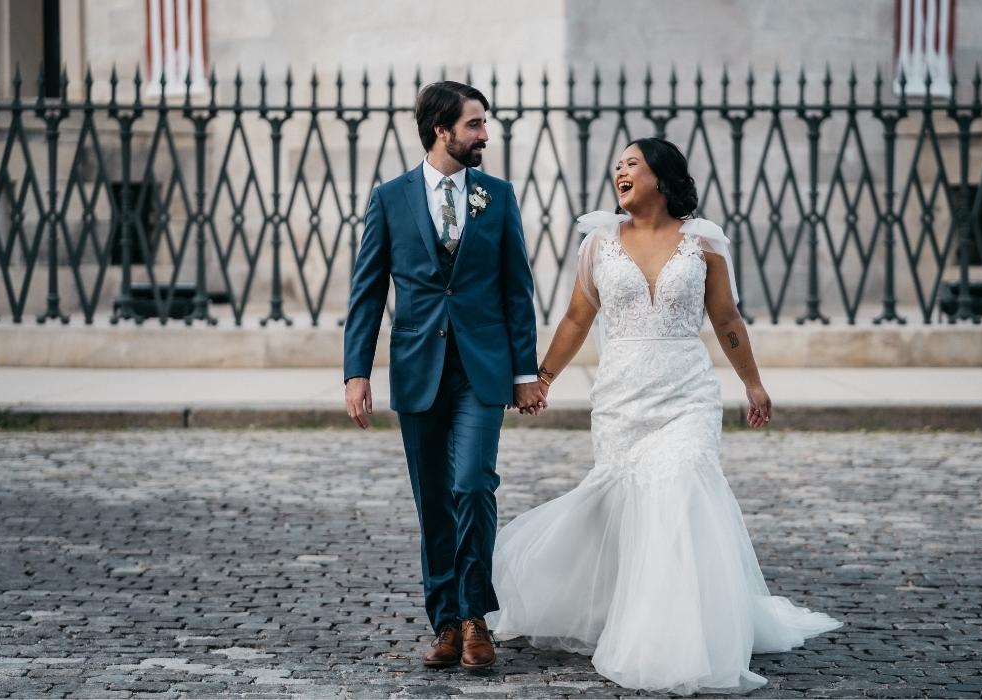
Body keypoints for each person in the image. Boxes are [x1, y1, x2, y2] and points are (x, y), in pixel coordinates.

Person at [486, 137, 842, 694]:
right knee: (625, 504)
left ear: (661, 176)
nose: (620, 171)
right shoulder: (599, 243)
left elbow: (725, 317)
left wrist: (753, 383)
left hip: (687, 394)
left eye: (632, 163)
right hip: (622, 396)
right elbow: (578, 320)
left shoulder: (703, 243)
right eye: (618, 165)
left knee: (679, 490)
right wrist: (544, 377)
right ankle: (606, 604)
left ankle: (678, 633)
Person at [343, 80, 545, 673]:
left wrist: (525, 371)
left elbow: (517, 290)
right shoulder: (390, 198)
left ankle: (477, 615)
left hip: (482, 372)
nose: (485, 134)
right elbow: (367, 292)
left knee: (473, 485)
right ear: (442, 130)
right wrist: (356, 373)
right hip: (418, 369)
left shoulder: (498, 195)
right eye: (475, 125)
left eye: (484, 124)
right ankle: (446, 623)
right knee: (434, 500)